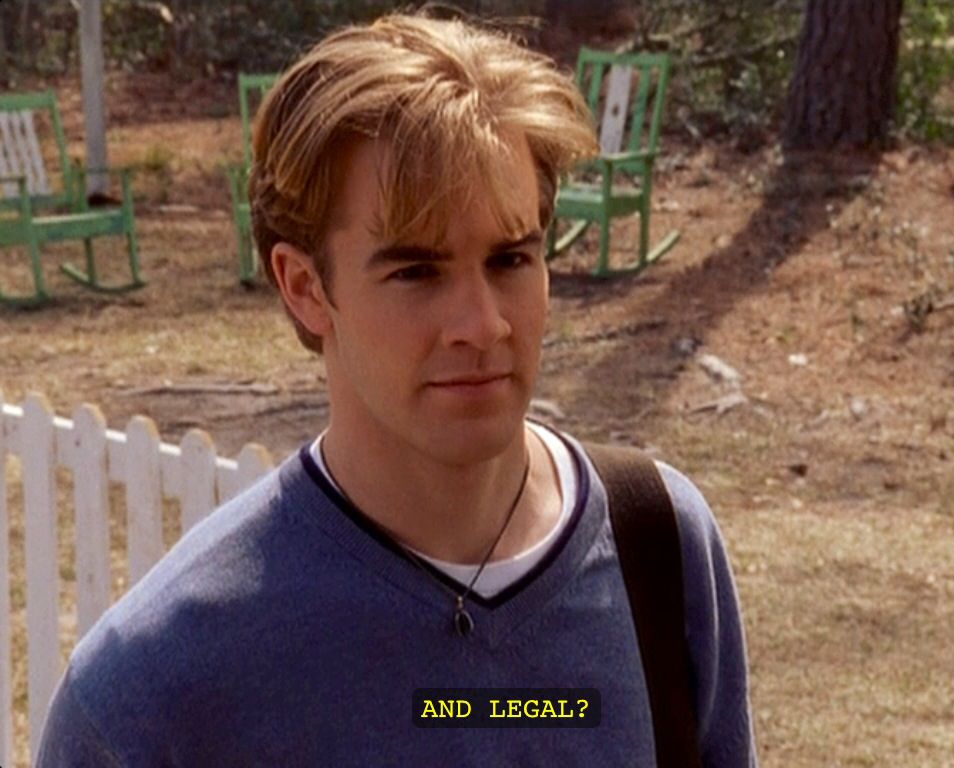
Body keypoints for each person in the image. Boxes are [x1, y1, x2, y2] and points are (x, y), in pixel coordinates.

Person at [38, 12, 757, 766]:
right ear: (305, 287)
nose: (483, 325)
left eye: (510, 259)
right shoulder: (150, 696)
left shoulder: (656, 546)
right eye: (417, 271)